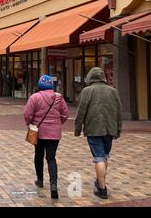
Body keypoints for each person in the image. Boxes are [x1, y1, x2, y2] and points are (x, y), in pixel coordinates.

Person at [75, 67, 122, 200]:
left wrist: (78, 129)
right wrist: (118, 130)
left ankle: (102, 189)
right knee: (105, 156)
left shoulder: (87, 91)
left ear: (90, 77)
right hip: (109, 129)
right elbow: (119, 112)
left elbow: (81, 111)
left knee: (99, 157)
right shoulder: (113, 91)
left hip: (93, 129)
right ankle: (101, 181)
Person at [24, 75, 69, 199]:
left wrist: (30, 123)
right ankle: (53, 185)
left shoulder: (34, 97)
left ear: (39, 85)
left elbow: (27, 114)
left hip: (38, 132)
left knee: (38, 155)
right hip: (54, 133)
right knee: (51, 158)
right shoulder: (59, 97)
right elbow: (65, 114)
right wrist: (57, 124)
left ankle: (40, 180)